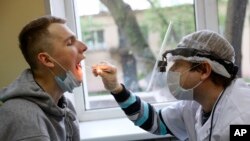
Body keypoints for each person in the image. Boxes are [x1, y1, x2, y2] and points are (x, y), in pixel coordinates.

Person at [92, 30, 250, 141]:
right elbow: (154, 122)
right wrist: (116, 89)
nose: (171, 71)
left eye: (177, 65)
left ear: (203, 70)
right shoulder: (193, 106)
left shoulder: (241, 118)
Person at [0, 15, 87, 141]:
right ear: (46, 60)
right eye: (69, 43)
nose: (84, 46)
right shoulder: (25, 120)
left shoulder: (66, 106)